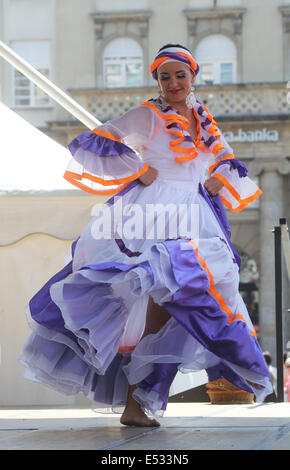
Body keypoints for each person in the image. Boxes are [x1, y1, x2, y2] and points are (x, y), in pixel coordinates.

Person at [19, 44, 272, 427]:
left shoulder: (203, 118)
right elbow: (99, 139)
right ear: (156, 80)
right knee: (159, 296)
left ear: (193, 76)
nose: (172, 82)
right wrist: (137, 168)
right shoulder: (148, 114)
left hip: (195, 214)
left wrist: (218, 177)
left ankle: (149, 397)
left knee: (185, 301)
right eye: (164, 76)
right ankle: (138, 400)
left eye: (179, 75)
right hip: (153, 214)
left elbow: (224, 157)